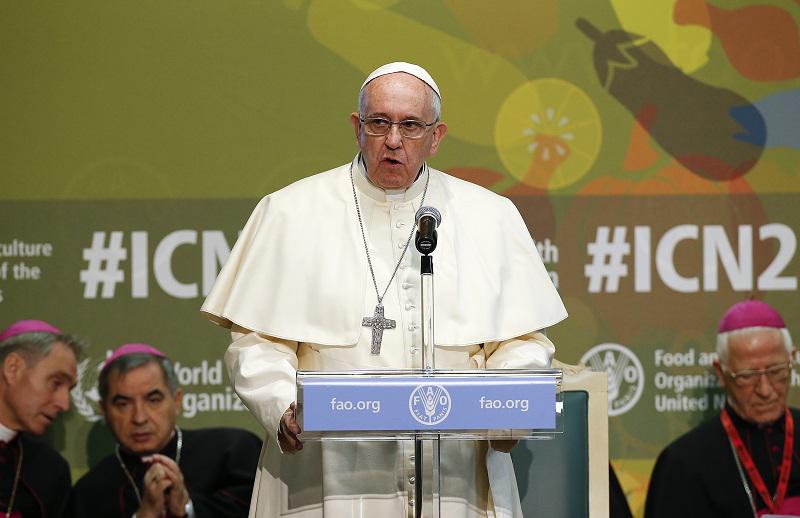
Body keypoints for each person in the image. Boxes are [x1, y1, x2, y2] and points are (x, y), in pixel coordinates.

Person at [201, 61, 567, 517]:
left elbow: (522, 342)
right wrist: (282, 408)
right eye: (380, 123)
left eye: (411, 125)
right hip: (328, 475)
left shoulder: (491, 217)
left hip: (455, 478)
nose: (394, 140)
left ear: (436, 136)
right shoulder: (290, 213)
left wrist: (510, 405)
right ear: (357, 128)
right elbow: (257, 345)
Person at [68, 343, 262, 518]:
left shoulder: (233, 451)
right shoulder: (89, 491)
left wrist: (188, 508)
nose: (139, 418)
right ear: (104, 410)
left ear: (176, 401)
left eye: (153, 400)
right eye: (123, 404)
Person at [645, 299, 799, 517]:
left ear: (791, 359)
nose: (765, 390)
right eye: (747, 376)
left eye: (776, 370)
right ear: (721, 373)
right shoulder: (683, 463)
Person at [0, 319, 82, 517]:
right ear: (13, 369)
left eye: (69, 390)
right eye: (55, 383)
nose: (64, 404)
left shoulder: (50, 471)